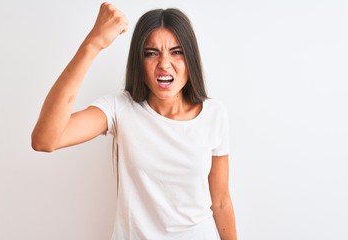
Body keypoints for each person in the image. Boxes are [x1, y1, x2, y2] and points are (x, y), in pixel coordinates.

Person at [31, 2, 237, 240]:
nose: (164, 64)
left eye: (176, 51)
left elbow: (221, 202)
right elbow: (44, 140)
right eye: (151, 53)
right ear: (139, 61)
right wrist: (93, 44)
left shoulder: (214, 115)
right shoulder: (120, 109)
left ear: (190, 57)